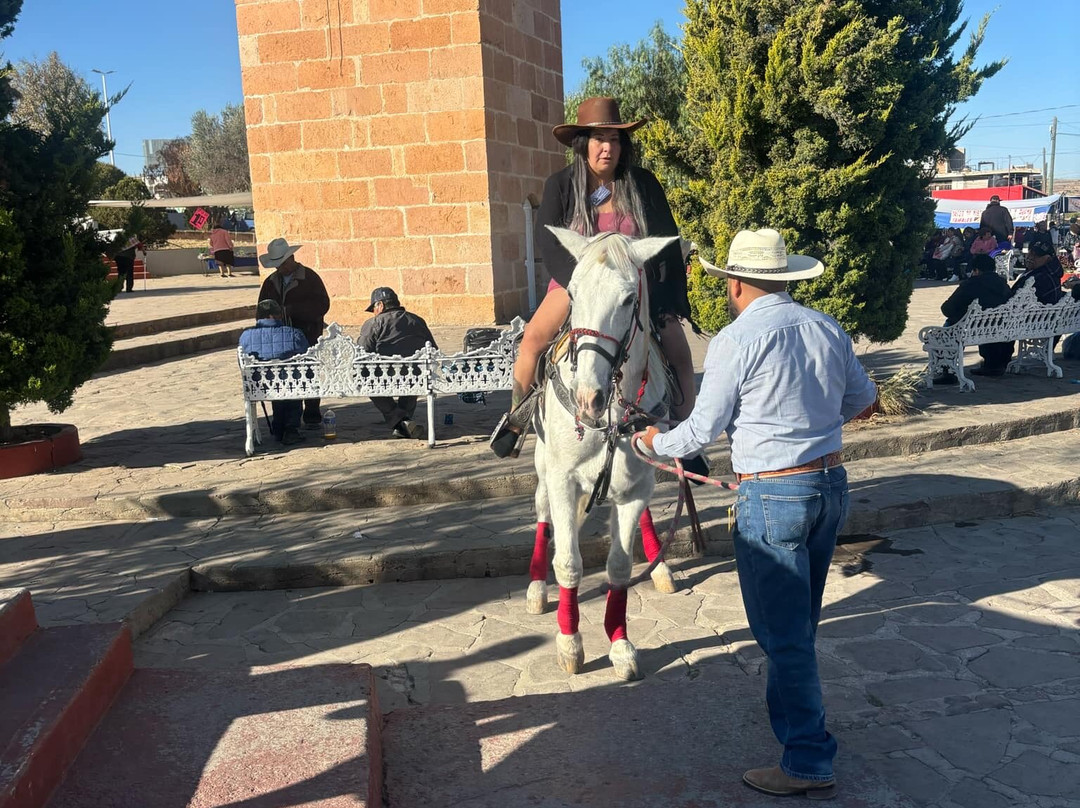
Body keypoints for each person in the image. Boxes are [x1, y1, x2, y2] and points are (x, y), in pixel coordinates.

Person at [640, 228, 876, 800]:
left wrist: (652, 441)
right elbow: (864, 400)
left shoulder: (735, 340)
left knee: (783, 633)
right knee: (799, 624)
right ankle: (800, 722)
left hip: (774, 496)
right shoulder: (826, 327)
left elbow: (703, 427)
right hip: (829, 484)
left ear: (737, 283)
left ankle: (807, 757)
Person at [489, 96, 703, 476]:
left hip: (634, 288)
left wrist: (667, 299)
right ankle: (516, 419)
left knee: (680, 351)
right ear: (583, 143)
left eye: (615, 140)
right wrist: (581, 288)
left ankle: (686, 440)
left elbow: (666, 241)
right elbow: (548, 241)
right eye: (599, 139)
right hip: (576, 282)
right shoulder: (561, 185)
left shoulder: (644, 185)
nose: (608, 148)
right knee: (533, 340)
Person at [257, 238, 331, 429]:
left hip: (307, 335)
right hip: (279, 339)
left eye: (282, 264)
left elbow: (322, 304)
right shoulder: (270, 283)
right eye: (277, 265)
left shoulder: (310, 278)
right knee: (283, 377)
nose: (280, 269)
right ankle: (285, 420)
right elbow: (261, 310)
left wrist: (291, 310)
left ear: (291, 258)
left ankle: (312, 413)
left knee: (310, 374)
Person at [358, 287, 437, 439]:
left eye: (373, 308)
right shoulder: (417, 320)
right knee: (415, 373)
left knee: (364, 380)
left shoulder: (374, 323)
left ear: (380, 305)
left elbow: (362, 352)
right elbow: (433, 349)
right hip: (417, 375)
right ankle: (404, 423)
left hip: (386, 375)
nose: (374, 312)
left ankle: (400, 420)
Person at [238, 299, 310, 446]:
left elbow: (241, 363)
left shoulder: (246, 336)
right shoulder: (294, 334)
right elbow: (307, 359)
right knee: (292, 378)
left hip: (259, 386)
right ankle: (290, 429)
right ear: (274, 316)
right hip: (291, 385)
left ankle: (279, 428)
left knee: (279, 382)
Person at [934, 254, 1014, 381]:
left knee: (947, 327)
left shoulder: (971, 284)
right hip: (999, 328)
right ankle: (994, 365)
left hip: (973, 328)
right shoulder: (1003, 284)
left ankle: (948, 370)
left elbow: (947, 309)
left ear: (976, 270)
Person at [1012, 240, 1064, 306]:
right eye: (1030, 252)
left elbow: (1014, 300)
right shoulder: (1049, 272)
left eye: (1036, 255)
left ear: (1048, 259)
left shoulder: (1042, 278)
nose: (1030, 257)